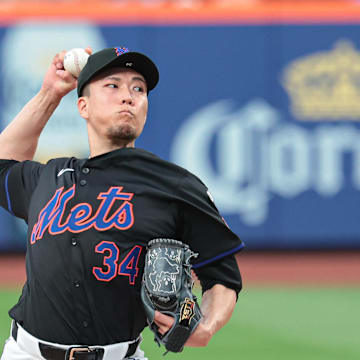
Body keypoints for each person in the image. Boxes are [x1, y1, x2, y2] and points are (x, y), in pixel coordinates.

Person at [0, 46, 243, 360]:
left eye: (138, 89)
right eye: (112, 85)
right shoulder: (48, 178)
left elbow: (222, 275)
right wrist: (51, 92)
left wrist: (207, 325)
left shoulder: (175, 185)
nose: (128, 96)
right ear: (83, 106)